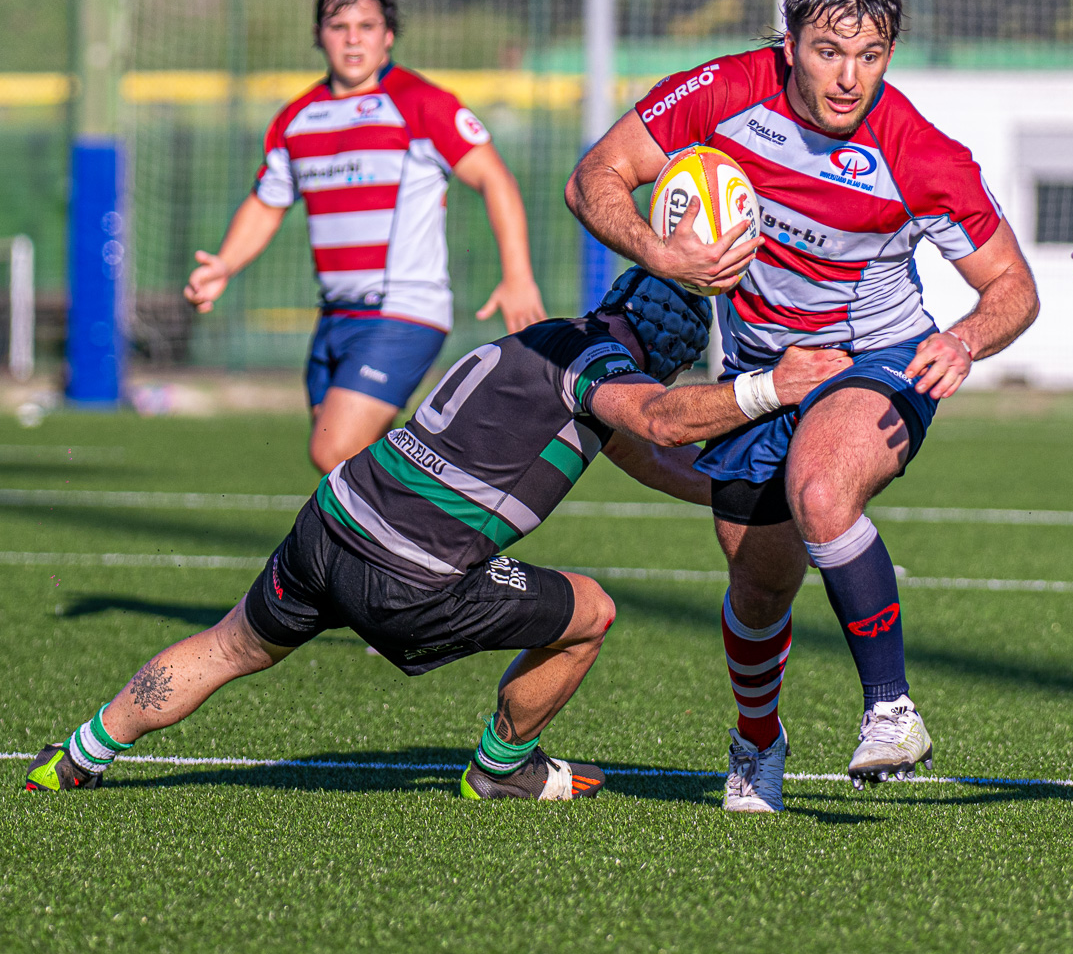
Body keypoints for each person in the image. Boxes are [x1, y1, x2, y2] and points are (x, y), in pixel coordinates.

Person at [25, 271, 850, 801]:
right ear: (671, 351)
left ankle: (80, 754)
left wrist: (729, 492)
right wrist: (770, 386)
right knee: (590, 613)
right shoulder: (607, 370)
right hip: (410, 576)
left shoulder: (545, 340)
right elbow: (659, 417)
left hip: (330, 525)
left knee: (229, 645)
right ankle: (502, 772)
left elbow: (637, 446)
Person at [566, 0, 1039, 812]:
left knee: (822, 490)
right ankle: (756, 744)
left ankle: (890, 710)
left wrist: (969, 337)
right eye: (829, 51)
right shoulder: (720, 93)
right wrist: (659, 249)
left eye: (871, 55)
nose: (850, 77)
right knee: (758, 581)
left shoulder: (924, 155)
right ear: (788, 44)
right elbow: (595, 175)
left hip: (880, 362)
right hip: (758, 372)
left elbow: (1013, 288)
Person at [183, 0, 549, 474]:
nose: (353, 38)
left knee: (331, 449)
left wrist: (517, 274)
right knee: (347, 466)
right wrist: (224, 264)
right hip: (334, 317)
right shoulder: (296, 118)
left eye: (367, 25)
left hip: (401, 311)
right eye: (339, 25)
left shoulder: (421, 104)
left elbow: (494, 179)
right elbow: (267, 204)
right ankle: (420, 546)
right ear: (318, 35)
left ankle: (456, 527)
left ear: (388, 35)